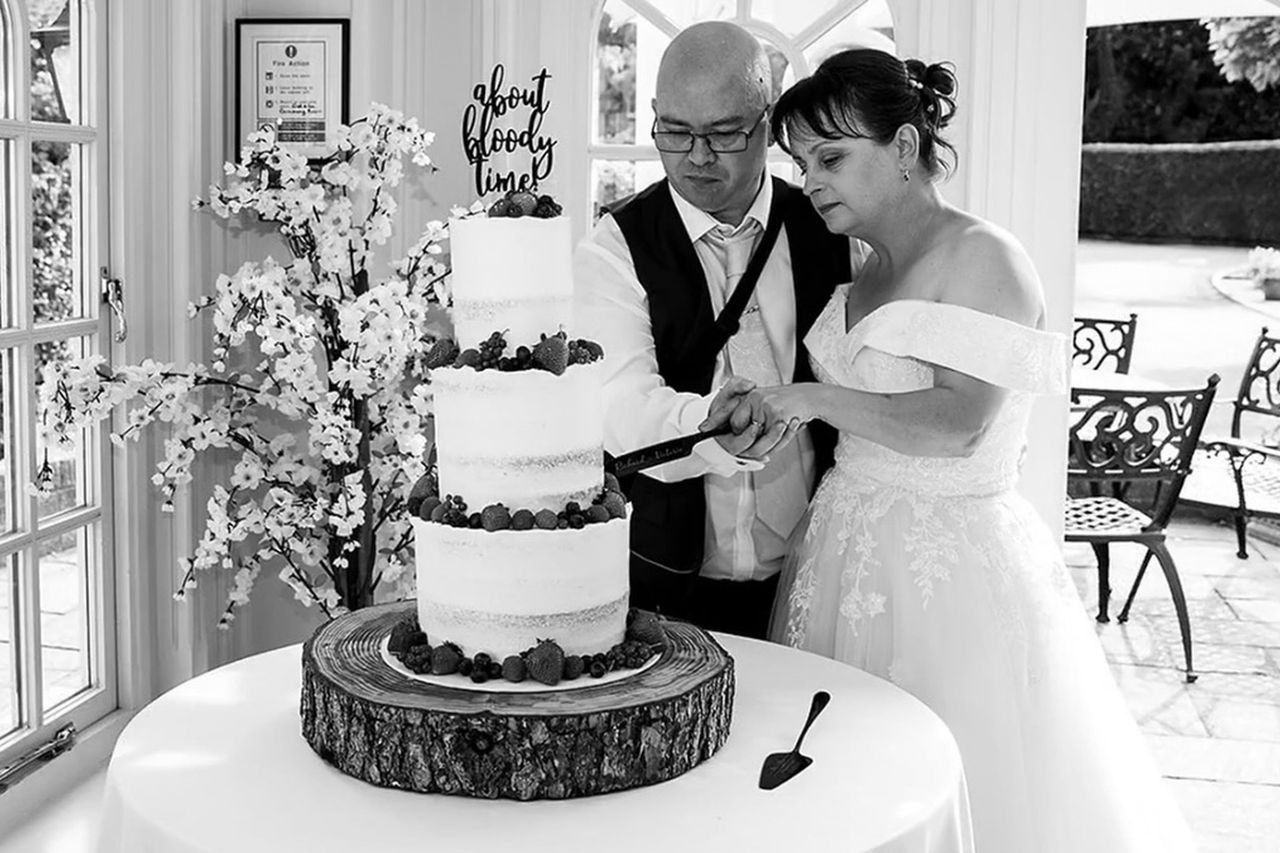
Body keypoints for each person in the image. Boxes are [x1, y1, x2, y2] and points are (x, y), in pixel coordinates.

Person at [703, 48, 1198, 853]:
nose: (812, 179)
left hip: (949, 576)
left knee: (960, 782)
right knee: (846, 786)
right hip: (841, 552)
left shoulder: (985, 257)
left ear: (903, 149)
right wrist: (766, 418)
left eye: (831, 157)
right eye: (802, 163)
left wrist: (808, 399)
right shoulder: (862, 267)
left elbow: (957, 422)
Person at [575, 21, 865, 640]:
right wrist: (708, 429)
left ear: (767, 122)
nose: (698, 156)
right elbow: (618, 408)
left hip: (815, 579)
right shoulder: (613, 248)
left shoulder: (833, 230)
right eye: (675, 132)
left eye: (724, 133)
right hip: (658, 588)